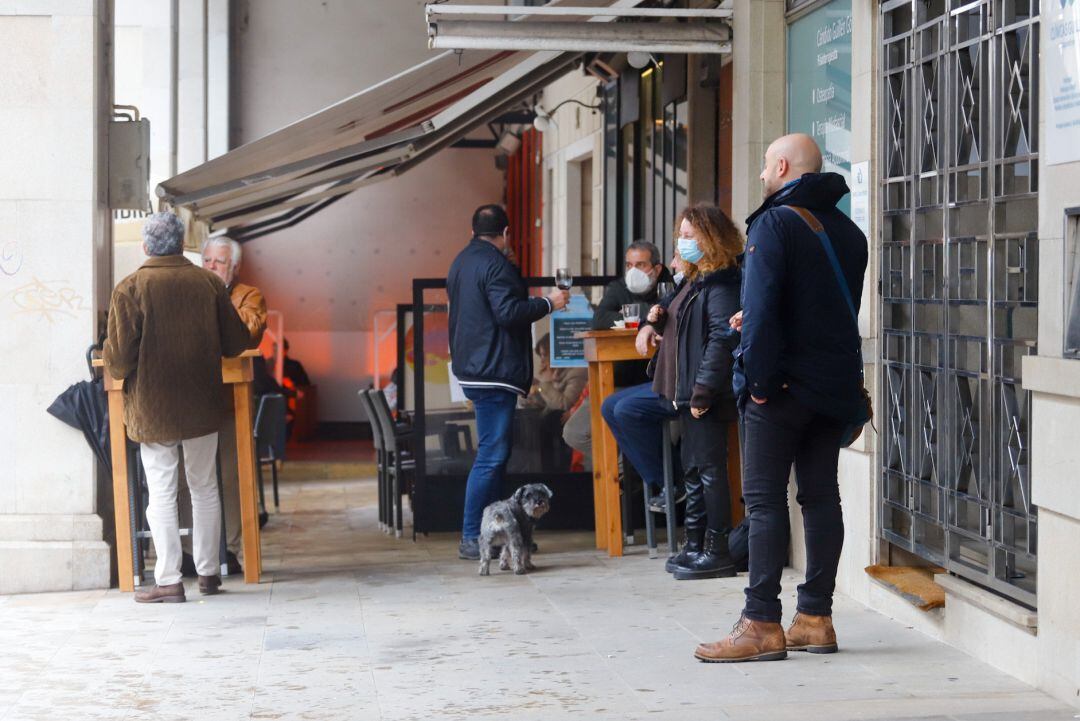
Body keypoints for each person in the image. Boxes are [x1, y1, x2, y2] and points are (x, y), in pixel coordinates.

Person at [695, 134, 868, 662]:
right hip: (832, 388)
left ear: (783, 166)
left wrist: (761, 386)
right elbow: (818, 309)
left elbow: (769, 311)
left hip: (783, 387)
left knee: (765, 500)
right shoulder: (849, 231)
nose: (763, 175)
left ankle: (761, 624)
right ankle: (816, 617)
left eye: (767, 165)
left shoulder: (773, 223)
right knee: (820, 497)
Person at [104, 213, 250, 603]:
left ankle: (168, 579)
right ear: (182, 241)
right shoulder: (208, 284)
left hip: (153, 409)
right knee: (204, 487)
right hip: (202, 403)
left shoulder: (130, 287)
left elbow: (117, 362)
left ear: (146, 246)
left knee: (163, 492)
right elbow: (236, 343)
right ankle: (208, 574)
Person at [448, 204, 569, 560]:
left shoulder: (462, 261)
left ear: (473, 232)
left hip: (474, 367)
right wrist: (549, 302)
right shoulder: (495, 264)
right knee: (491, 455)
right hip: (493, 371)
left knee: (495, 456)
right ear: (505, 233)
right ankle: (472, 536)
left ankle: (495, 534)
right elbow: (507, 312)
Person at [645, 204, 743, 581]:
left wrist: (703, 390)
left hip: (704, 392)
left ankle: (716, 550)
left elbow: (722, 338)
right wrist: (659, 315)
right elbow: (684, 316)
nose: (682, 243)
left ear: (710, 239)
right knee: (693, 469)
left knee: (709, 471)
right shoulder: (696, 279)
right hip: (686, 390)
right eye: (681, 236)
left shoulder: (720, 283)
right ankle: (694, 544)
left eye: (689, 236)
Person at [177, 235, 267, 577]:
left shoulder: (249, 295)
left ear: (235, 267)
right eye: (208, 261)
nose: (212, 267)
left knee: (230, 478)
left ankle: (230, 550)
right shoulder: (189, 292)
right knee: (189, 479)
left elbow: (247, 333)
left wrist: (213, 305)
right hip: (193, 400)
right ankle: (189, 553)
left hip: (231, 403)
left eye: (219, 262)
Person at [587, 243, 681, 511]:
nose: (633, 271)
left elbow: (670, 313)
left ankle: (674, 480)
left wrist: (643, 320)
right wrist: (644, 319)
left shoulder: (670, 285)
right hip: (624, 381)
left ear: (657, 268)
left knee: (634, 413)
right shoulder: (618, 288)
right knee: (608, 409)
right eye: (629, 265)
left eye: (640, 265)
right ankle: (659, 482)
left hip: (665, 380)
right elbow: (600, 318)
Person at [524, 334, 588, 470]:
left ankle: (555, 471)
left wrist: (545, 385)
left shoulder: (576, 372)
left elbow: (564, 404)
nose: (542, 361)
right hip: (557, 425)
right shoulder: (555, 372)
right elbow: (545, 404)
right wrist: (531, 394)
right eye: (540, 356)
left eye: (544, 355)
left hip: (573, 422)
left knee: (551, 419)